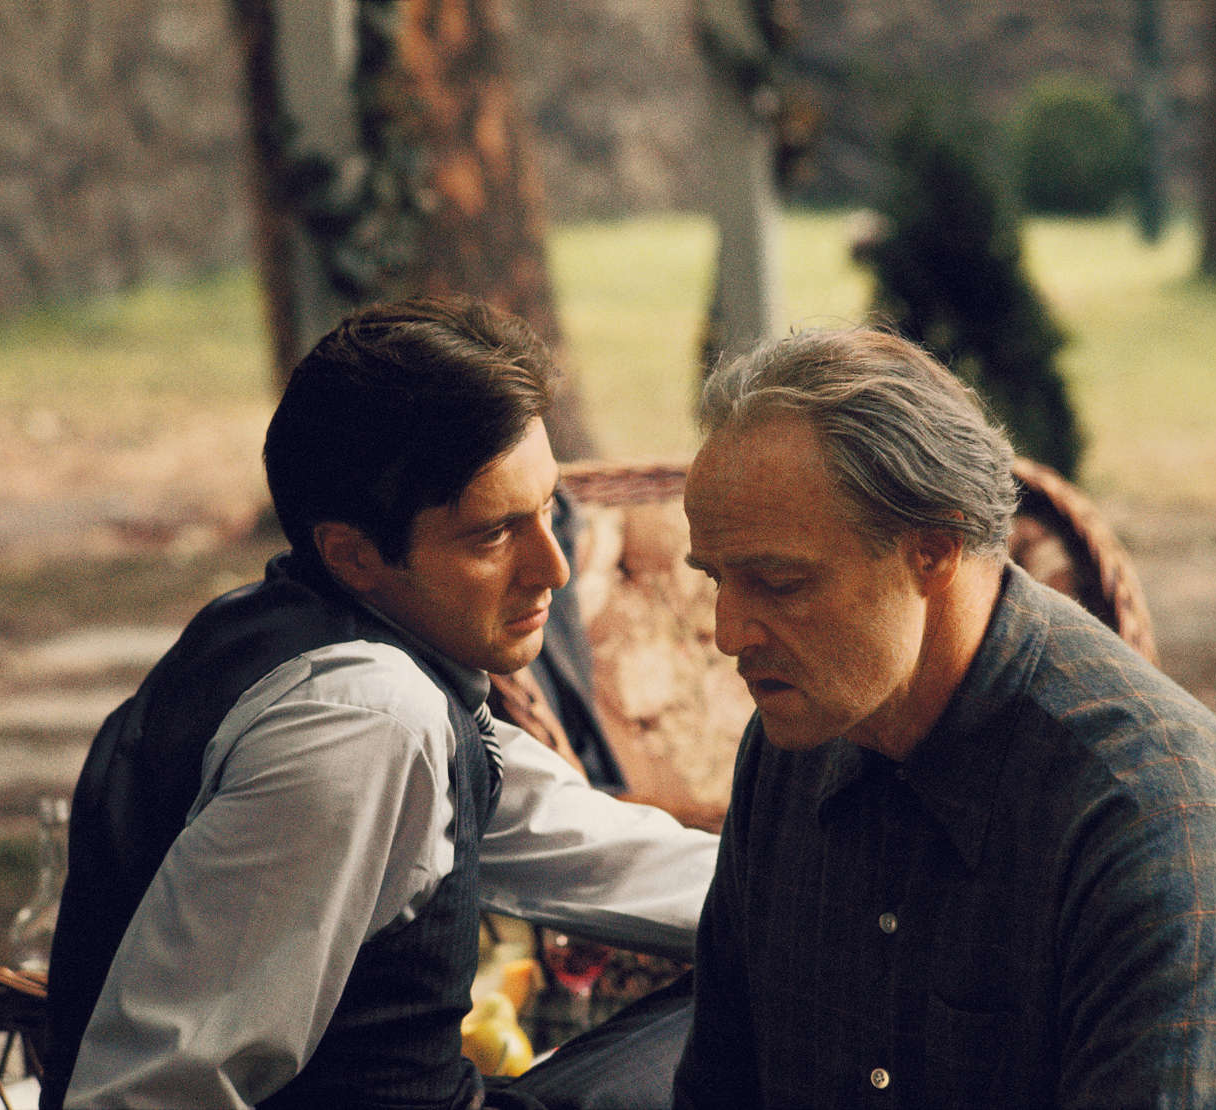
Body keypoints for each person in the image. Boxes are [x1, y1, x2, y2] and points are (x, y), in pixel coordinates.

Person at [39, 296, 716, 1110]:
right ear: (356, 555)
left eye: (547, 513)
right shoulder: (363, 723)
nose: (553, 569)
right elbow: (147, 1091)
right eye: (493, 535)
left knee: (784, 974)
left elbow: (596, 849)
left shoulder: (311, 644)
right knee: (766, 1020)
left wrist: (856, 902)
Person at [672, 326, 1216, 1107]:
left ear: (934, 551)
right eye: (715, 577)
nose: (726, 633)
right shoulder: (799, 737)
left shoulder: (1160, 826)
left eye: (780, 583)